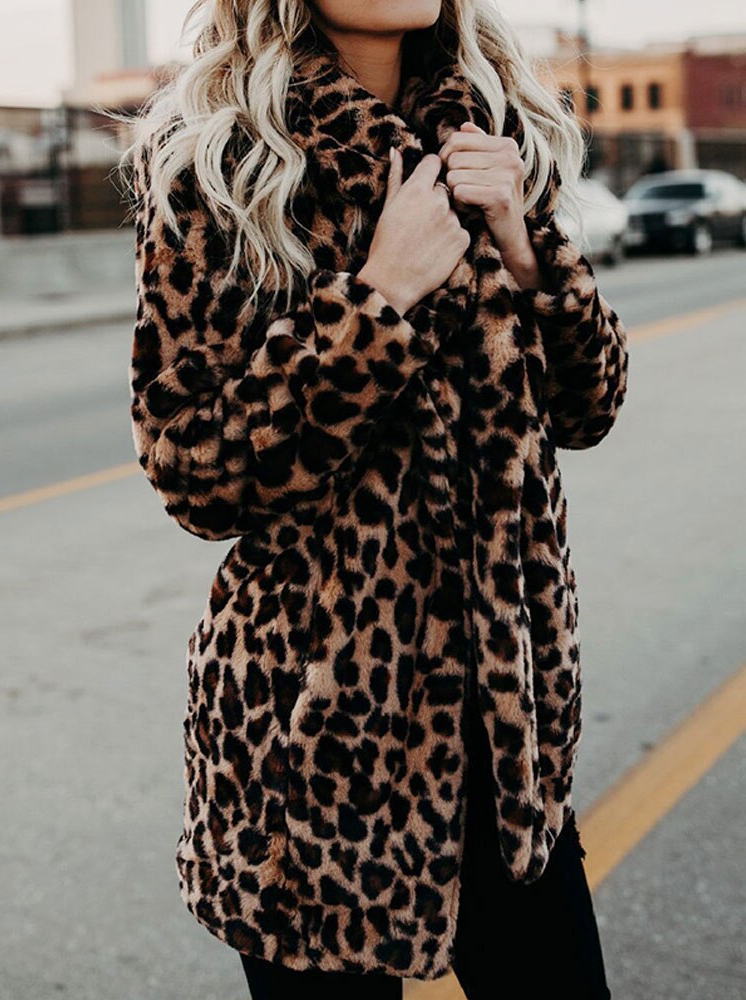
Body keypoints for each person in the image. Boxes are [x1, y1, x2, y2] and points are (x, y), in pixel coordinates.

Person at [124, 1, 629, 997]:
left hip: (503, 738)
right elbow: (190, 468)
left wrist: (531, 255)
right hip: (312, 756)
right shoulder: (221, 163)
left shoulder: (491, 133)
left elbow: (592, 406)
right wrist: (377, 301)